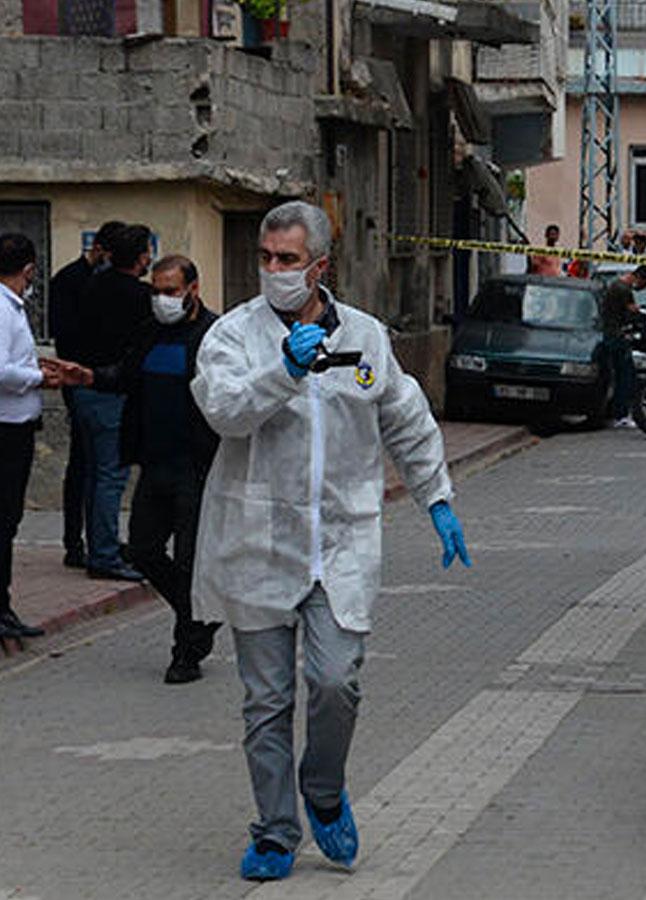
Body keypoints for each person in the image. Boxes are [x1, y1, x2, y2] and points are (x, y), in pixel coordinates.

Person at [190, 201, 471, 882]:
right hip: (257, 541)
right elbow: (224, 412)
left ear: (322, 265)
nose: (275, 271)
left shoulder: (367, 338)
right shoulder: (234, 336)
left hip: (341, 541)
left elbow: (406, 418)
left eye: (288, 260)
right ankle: (276, 831)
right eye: (266, 258)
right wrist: (283, 370)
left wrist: (437, 497)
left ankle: (322, 788)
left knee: (335, 679)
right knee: (265, 700)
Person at [64, 255, 223, 683]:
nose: (161, 299)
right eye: (156, 291)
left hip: (196, 467)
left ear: (192, 288)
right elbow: (126, 375)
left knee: (189, 563)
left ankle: (185, 654)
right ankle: (201, 616)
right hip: (154, 465)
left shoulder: (213, 335)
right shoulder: (150, 332)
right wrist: (89, 376)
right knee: (143, 551)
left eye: (170, 291)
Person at [77, 224, 154, 581]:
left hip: (84, 387)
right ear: (142, 257)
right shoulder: (140, 297)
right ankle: (105, 554)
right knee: (111, 476)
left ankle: (99, 546)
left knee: (95, 473)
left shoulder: (93, 284)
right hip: (112, 390)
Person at [50, 220, 122, 569]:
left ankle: (98, 540)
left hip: (101, 380)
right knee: (82, 466)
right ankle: (73, 542)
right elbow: (65, 334)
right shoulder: (70, 281)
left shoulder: (108, 285)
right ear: (98, 249)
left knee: (97, 468)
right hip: (78, 381)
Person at [0, 234, 58, 640]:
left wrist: (36, 365)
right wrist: (40, 378)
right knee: (4, 521)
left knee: (8, 520)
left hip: (17, 424)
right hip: (6, 427)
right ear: (28, 270)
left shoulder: (11, 307)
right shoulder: (2, 310)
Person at [601, 264, 646, 428]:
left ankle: (617, 412)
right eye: (644, 285)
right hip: (617, 336)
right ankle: (620, 414)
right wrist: (639, 314)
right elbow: (631, 313)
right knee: (626, 376)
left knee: (619, 375)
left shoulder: (617, 285)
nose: (643, 289)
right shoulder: (624, 290)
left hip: (611, 334)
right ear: (640, 278)